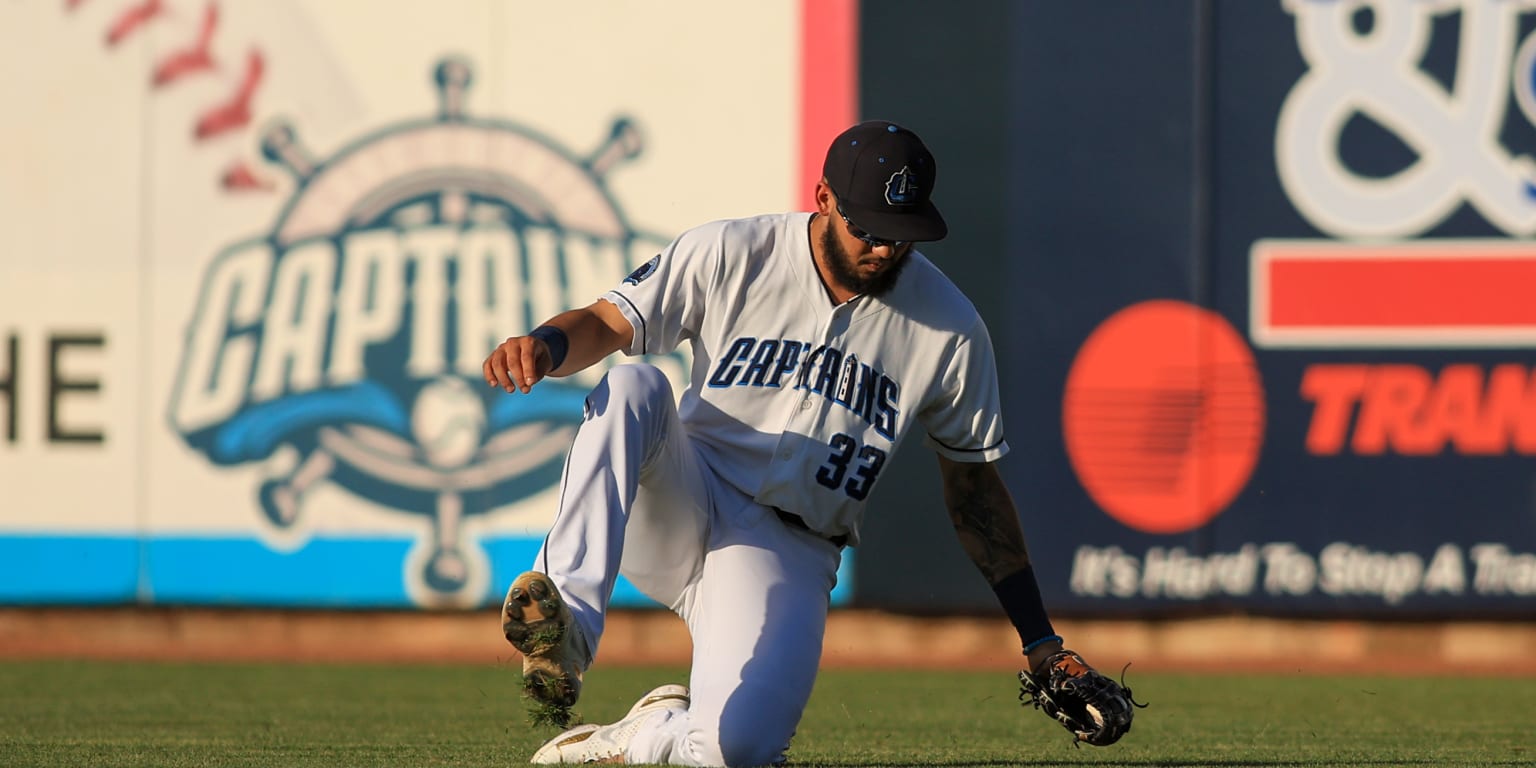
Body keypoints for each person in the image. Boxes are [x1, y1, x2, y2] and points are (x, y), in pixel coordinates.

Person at [485, 121, 1113, 765]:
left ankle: (650, 734)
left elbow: (974, 492)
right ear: (824, 198)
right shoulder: (734, 251)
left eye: (901, 233)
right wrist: (547, 345)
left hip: (786, 548)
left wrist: (1040, 641)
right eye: (867, 228)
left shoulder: (950, 328)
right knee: (634, 388)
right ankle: (565, 635)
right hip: (685, 494)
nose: (884, 248)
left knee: (736, 752)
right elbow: (604, 322)